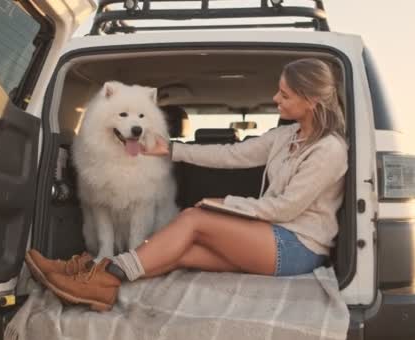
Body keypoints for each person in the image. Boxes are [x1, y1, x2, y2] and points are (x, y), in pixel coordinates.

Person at [26, 58, 349, 312]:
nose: (275, 98)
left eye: (285, 94)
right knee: (182, 252)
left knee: (194, 219)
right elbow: (231, 154)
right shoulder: (285, 136)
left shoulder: (329, 150)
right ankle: (94, 285)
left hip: (298, 247)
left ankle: (101, 275)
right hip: (275, 237)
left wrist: (224, 204)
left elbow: (285, 209)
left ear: (309, 100)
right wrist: (170, 149)